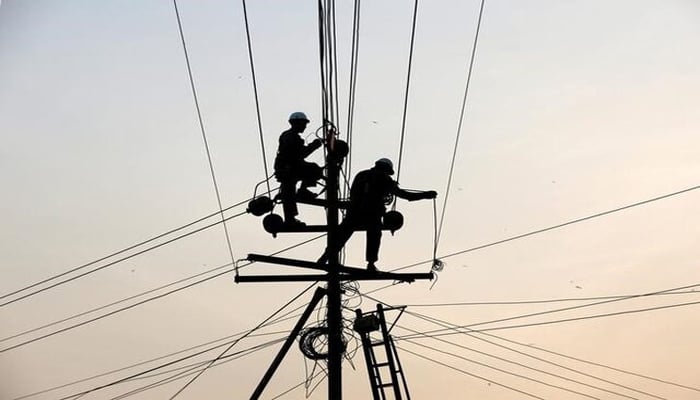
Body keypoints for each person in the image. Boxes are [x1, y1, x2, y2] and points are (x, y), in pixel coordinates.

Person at [319, 158, 436, 271]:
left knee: (343, 234)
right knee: (374, 235)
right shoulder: (385, 179)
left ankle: (325, 256)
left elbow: (353, 193)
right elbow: (406, 196)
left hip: (354, 211)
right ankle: (370, 263)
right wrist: (425, 195)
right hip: (372, 213)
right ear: (387, 170)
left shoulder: (361, 175)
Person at [274, 112, 323, 226]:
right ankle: (291, 218)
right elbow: (300, 154)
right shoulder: (292, 137)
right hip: (289, 169)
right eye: (303, 123)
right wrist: (315, 145)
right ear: (296, 123)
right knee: (313, 169)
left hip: (288, 168)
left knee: (288, 194)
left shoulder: (288, 135)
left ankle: (290, 218)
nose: (305, 126)